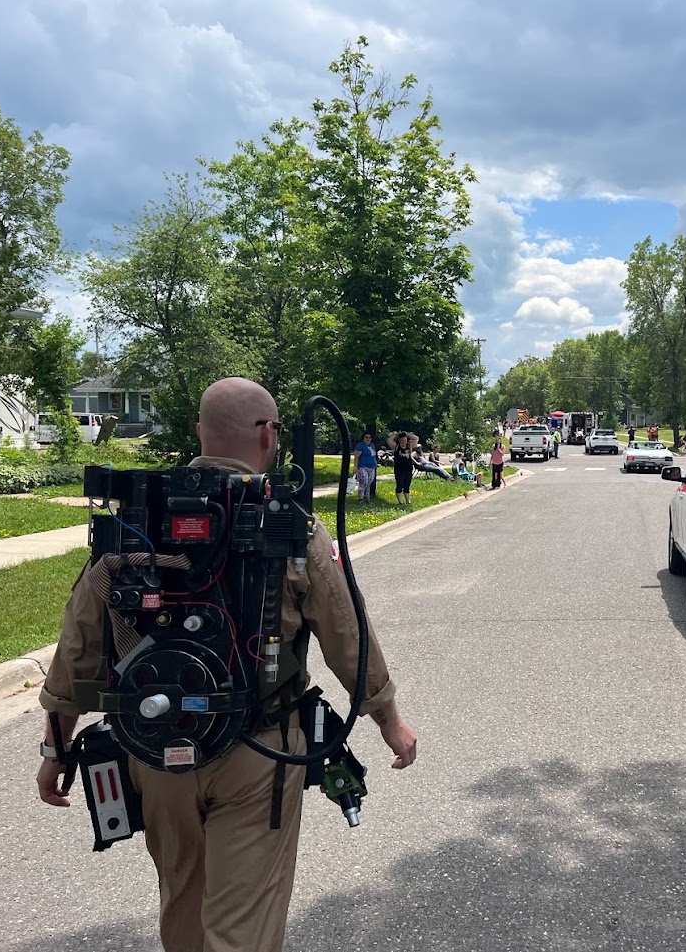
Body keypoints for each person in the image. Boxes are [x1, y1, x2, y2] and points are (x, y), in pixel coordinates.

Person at [36, 377, 418, 952]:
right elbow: (346, 630)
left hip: (154, 748)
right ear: (268, 435)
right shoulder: (288, 525)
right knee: (243, 925)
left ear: (199, 433)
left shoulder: (134, 519)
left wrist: (56, 748)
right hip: (259, 751)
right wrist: (388, 719)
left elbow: (79, 646)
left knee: (183, 906)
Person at [388, 430, 418, 505]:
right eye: (402, 440)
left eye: (405, 440)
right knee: (400, 485)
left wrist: (406, 434)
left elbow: (416, 438)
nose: (403, 442)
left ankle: (408, 501)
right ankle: (400, 502)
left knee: (407, 485)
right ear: (399, 440)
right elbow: (389, 440)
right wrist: (397, 434)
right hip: (399, 469)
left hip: (408, 468)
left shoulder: (409, 446)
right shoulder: (396, 447)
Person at [354, 430, 379, 502]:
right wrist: (355, 467)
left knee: (369, 483)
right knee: (363, 482)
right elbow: (356, 457)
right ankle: (361, 498)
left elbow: (373, 456)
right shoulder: (360, 446)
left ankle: (367, 498)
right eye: (366, 437)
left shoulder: (372, 445)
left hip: (371, 467)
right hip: (362, 467)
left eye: (369, 437)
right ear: (363, 438)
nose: (368, 439)